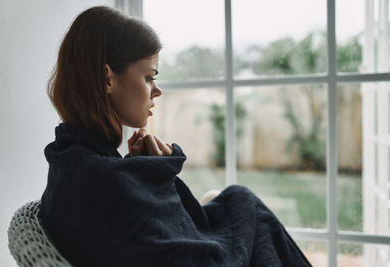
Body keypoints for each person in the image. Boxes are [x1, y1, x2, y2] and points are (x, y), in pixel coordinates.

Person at [39, 5, 312, 267]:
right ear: (107, 79)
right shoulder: (102, 178)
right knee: (243, 202)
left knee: (225, 198)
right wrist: (159, 173)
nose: (156, 90)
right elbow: (191, 257)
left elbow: (150, 235)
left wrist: (140, 172)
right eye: (149, 77)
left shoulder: (70, 159)